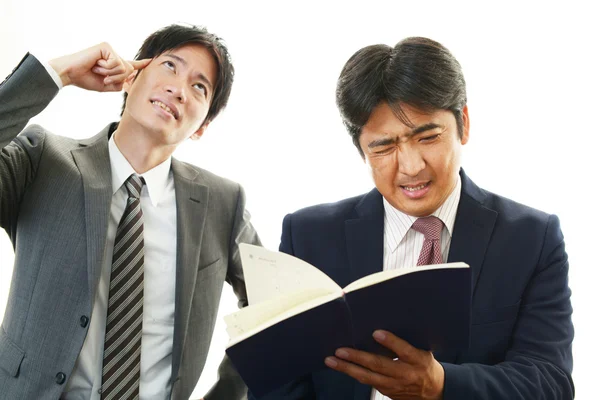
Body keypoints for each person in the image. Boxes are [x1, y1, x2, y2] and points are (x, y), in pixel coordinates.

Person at [252, 37, 574, 399]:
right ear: (361, 149)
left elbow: (549, 382)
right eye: (384, 147)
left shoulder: (532, 239)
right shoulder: (307, 236)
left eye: (428, 137)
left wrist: (440, 385)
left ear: (463, 124)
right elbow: (278, 382)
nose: (410, 167)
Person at [0, 24, 260, 400]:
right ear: (131, 76)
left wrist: (228, 392)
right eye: (170, 66)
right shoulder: (43, 158)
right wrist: (60, 74)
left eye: (199, 86)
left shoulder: (223, 202)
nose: (179, 89)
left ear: (202, 127)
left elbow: (277, 303)